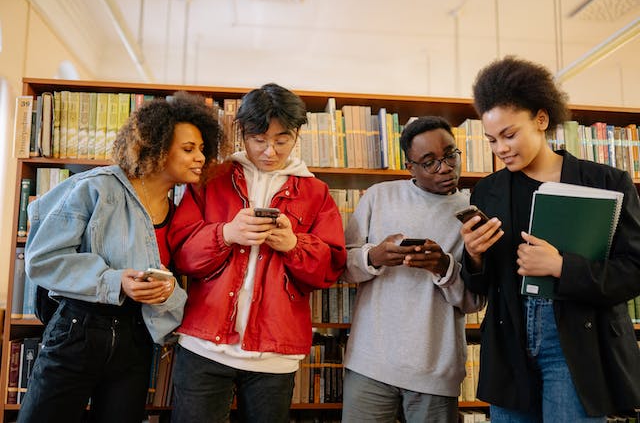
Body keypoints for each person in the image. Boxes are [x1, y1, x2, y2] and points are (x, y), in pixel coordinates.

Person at [19, 91, 222, 423]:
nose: (200, 157)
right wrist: (116, 281)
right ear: (156, 147)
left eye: (202, 148)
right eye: (188, 149)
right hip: (77, 330)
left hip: (136, 338)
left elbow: (176, 282)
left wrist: (167, 292)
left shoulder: (180, 212)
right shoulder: (96, 187)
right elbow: (43, 258)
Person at [459, 55, 640, 422]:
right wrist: (474, 257)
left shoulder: (606, 182)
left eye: (510, 134)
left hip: (576, 343)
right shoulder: (487, 192)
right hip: (508, 344)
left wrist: (562, 267)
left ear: (541, 119)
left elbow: (634, 270)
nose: (501, 149)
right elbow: (481, 283)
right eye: (491, 140)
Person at [167, 83, 347, 423]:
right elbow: (181, 255)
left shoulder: (315, 192)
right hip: (204, 346)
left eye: (282, 140)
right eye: (259, 139)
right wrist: (227, 234)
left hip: (275, 355)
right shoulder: (211, 179)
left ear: (297, 135)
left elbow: (330, 269)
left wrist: (294, 246)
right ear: (242, 134)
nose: (269, 151)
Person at [341, 116, 485, 423]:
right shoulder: (379, 196)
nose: (445, 167)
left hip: (435, 370)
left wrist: (444, 267)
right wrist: (374, 256)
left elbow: (475, 301)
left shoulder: (473, 212)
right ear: (411, 167)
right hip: (370, 363)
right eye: (429, 162)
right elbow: (343, 268)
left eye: (450, 155)